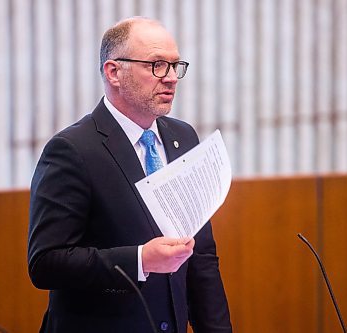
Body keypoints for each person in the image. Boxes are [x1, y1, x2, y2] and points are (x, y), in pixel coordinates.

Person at [27, 17, 232, 333]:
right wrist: (139, 260)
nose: (171, 78)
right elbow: (45, 263)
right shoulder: (72, 149)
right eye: (156, 65)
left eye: (175, 66)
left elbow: (201, 257)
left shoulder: (184, 138)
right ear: (114, 73)